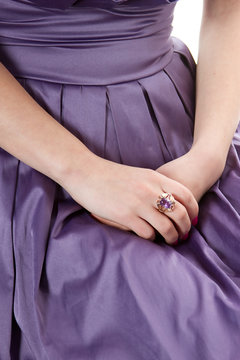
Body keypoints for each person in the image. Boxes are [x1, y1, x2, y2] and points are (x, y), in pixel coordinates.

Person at [0, 0, 239, 358]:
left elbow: (227, 10)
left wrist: (206, 158)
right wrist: (84, 173)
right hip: (29, 149)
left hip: (186, 124)